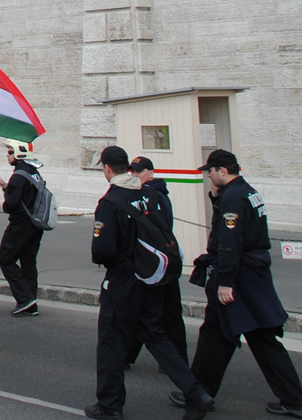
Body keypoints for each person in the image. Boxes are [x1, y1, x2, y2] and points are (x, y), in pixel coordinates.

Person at [181, 150, 302, 419]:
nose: (208, 175)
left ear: (222, 171)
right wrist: (215, 197)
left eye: (211, 171)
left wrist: (226, 282)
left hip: (238, 277)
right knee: (218, 336)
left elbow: (230, 243)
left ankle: (294, 400)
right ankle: (199, 392)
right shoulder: (246, 192)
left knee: (256, 337)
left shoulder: (232, 198)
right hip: (251, 274)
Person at [87, 145, 211, 420]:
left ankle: (109, 405)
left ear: (107, 169)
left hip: (124, 281)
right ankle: (195, 392)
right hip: (153, 277)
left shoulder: (110, 203)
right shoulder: (149, 193)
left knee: (111, 341)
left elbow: (102, 251)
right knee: (156, 336)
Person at [124, 156, 184, 367]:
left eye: (138, 172)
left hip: (154, 263)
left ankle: (129, 357)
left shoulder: (152, 195)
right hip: (164, 261)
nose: (133, 176)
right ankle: (177, 360)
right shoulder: (156, 194)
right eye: (131, 172)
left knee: (146, 313)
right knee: (168, 314)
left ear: (151, 173)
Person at [0, 138, 46, 317]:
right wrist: (5, 187)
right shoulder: (33, 172)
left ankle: (25, 299)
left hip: (21, 224)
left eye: (10, 151)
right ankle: (30, 301)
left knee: (5, 259)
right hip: (35, 223)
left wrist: (6, 194)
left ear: (19, 154)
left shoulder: (18, 176)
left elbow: (11, 204)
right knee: (28, 261)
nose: (7, 155)